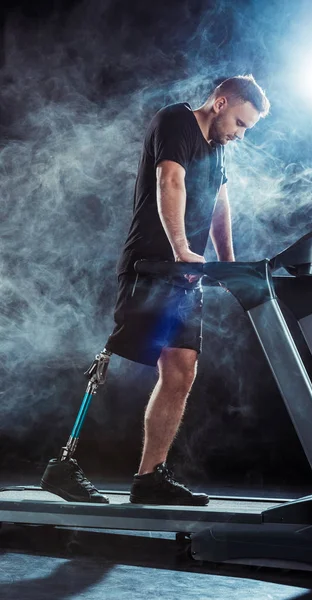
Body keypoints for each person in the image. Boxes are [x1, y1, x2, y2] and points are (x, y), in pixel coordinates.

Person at [41, 75, 270, 506]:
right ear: (221, 103)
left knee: (181, 371)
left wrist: (228, 263)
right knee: (113, 357)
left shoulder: (219, 149)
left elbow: (221, 204)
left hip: (182, 276)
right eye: (240, 123)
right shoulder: (176, 122)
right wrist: (183, 247)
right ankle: (62, 466)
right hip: (150, 266)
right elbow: (171, 182)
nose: (240, 135)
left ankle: (150, 478)